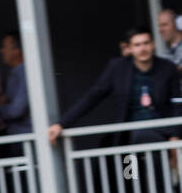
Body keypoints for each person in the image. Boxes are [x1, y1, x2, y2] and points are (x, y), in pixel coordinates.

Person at [49, 26, 182, 145]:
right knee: (128, 171)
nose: (142, 49)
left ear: (153, 44)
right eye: (137, 45)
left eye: (146, 43)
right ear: (129, 48)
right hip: (128, 137)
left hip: (163, 135)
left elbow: (177, 104)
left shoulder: (167, 68)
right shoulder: (118, 68)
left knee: (158, 164)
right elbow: (93, 96)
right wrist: (62, 124)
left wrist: (175, 136)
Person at [0, 32, 31, 136]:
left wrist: (0, 105)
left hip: (27, 136)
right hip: (20, 135)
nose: (1, 51)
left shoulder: (25, 72)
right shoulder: (16, 73)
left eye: (5, 47)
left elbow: (16, 111)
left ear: (17, 51)